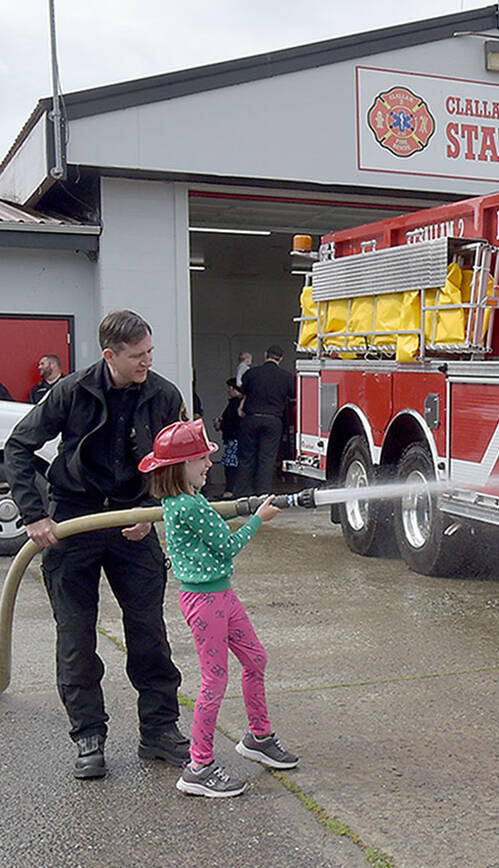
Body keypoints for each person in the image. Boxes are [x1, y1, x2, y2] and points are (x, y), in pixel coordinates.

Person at [6, 310, 191, 779]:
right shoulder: (71, 391)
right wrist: (35, 516)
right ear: (110, 355)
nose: (147, 362)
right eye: (137, 356)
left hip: (134, 522)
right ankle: (88, 735)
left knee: (149, 631)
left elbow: (178, 462)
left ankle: (160, 730)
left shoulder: (164, 395)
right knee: (76, 636)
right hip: (74, 522)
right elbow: (19, 447)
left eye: (150, 352)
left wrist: (154, 510)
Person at [139, 419, 299, 798]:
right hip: (206, 602)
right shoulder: (186, 506)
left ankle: (258, 737)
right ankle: (199, 766)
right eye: (201, 459)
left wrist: (242, 509)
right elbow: (227, 546)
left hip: (221, 595)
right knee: (214, 681)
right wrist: (258, 518)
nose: (209, 464)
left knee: (255, 659)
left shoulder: (189, 501)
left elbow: (212, 517)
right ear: (181, 467)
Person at [233, 345, 294, 496]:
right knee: (267, 458)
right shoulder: (286, 377)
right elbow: (293, 395)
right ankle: (263, 494)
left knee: (246, 456)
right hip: (273, 420)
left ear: (265, 354)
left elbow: (242, 391)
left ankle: (242, 494)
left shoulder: (252, 373)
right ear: (281, 359)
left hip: (252, 418)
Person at [217, 377, 243, 499]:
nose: (227, 391)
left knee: (231, 465)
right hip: (237, 437)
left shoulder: (235, 404)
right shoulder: (240, 402)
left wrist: (221, 425)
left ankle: (230, 490)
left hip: (235, 438)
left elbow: (232, 421)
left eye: (229, 388)